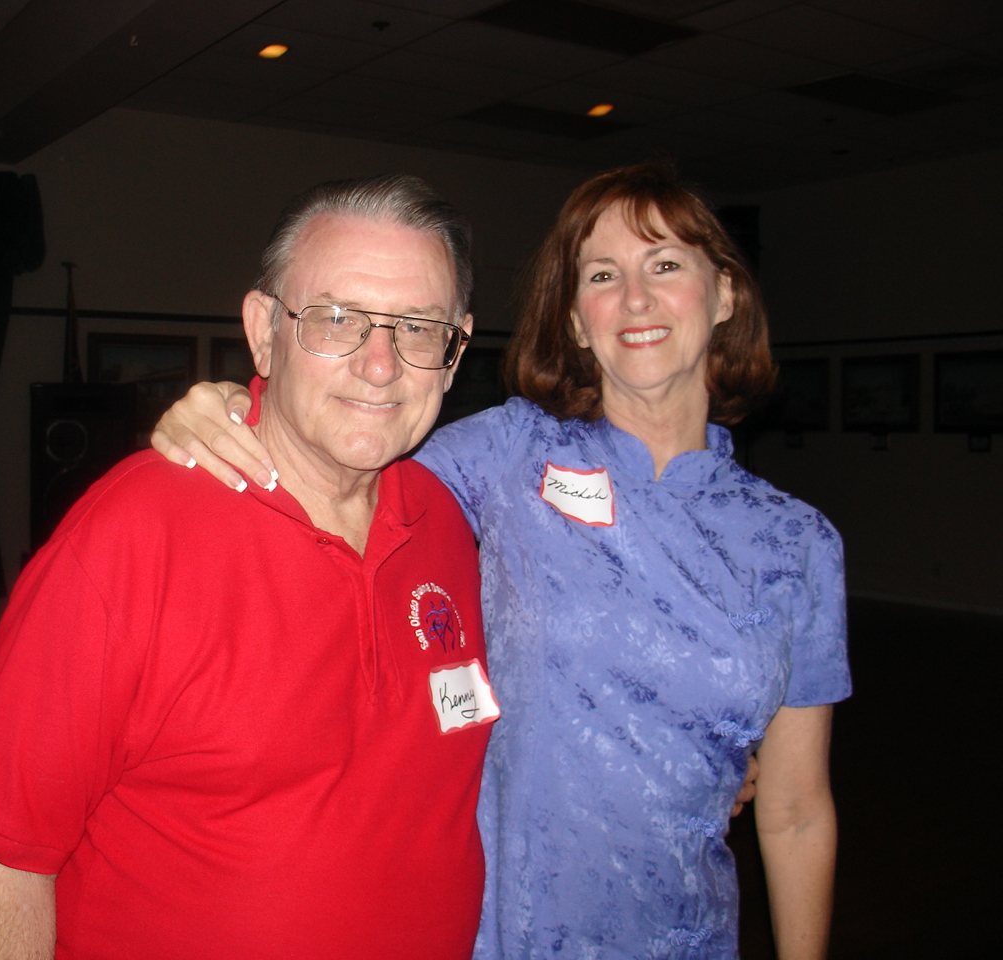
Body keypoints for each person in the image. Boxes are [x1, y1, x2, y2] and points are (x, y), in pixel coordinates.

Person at [151, 162, 851, 960]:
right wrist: (234, 402)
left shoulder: (796, 544)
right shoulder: (514, 453)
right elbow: (345, 463)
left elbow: (797, 812)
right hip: (501, 930)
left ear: (723, 295)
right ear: (577, 321)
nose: (635, 298)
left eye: (664, 265)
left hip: (684, 934)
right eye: (602, 275)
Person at [0, 174, 500, 960]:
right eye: (337, 320)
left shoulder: (445, 522)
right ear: (264, 332)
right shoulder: (129, 539)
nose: (381, 365)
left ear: (455, 350)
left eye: (417, 327)